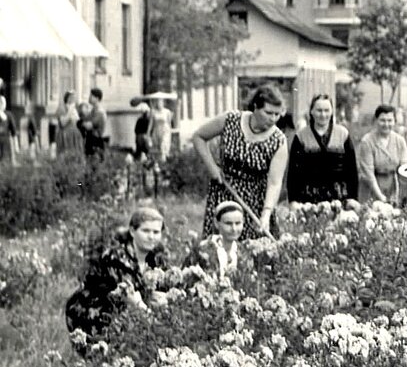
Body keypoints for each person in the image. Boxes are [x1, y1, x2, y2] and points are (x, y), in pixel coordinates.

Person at [193, 85, 289, 240]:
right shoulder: (231, 120)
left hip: (255, 202)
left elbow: (274, 183)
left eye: (277, 114)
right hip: (224, 191)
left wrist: (266, 214)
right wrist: (212, 168)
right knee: (218, 247)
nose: (273, 119)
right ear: (256, 107)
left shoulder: (278, 140)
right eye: (268, 113)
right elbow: (199, 137)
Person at [65, 205, 168, 347]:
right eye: (146, 231)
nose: (151, 237)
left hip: (128, 311)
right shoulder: (116, 258)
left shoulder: (157, 256)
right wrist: (148, 309)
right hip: (93, 314)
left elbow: (163, 288)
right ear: (132, 231)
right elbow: (128, 297)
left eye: (156, 232)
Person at [287, 94, 359, 205]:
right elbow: (293, 173)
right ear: (311, 111)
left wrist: (353, 198)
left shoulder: (343, 134)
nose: (323, 114)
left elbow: (352, 170)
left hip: (339, 198)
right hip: (308, 198)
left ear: (331, 112)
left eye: (326, 110)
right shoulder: (301, 136)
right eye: (319, 110)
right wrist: (293, 201)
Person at [358, 104, 407, 204]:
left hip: (392, 187)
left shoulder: (400, 141)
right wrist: (381, 197)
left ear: (394, 121)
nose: (386, 124)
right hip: (371, 189)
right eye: (382, 120)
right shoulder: (367, 142)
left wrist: (401, 194)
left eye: (390, 120)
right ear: (376, 120)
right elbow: (368, 174)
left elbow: (404, 169)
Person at [186, 201, 250, 280]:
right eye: (228, 223)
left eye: (238, 223)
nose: (234, 229)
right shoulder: (201, 251)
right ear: (216, 223)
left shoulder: (244, 252)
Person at [52, 90, 83, 158]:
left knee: (75, 156)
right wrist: (70, 111)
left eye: (74, 97)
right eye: (71, 97)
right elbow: (63, 123)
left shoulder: (75, 109)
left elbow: (76, 122)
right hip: (65, 134)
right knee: (65, 156)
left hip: (74, 135)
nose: (73, 99)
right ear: (67, 98)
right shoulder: (62, 108)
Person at [80, 87, 108, 159]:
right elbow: (85, 119)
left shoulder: (100, 112)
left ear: (97, 98)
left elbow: (88, 126)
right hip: (90, 140)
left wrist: (81, 123)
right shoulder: (93, 110)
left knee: (95, 164)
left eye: (91, 96)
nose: (89, 98)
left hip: (96, 141)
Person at [0, 95, 17, 165]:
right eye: (1, 103)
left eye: (3, 103)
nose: (3, 104)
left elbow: (13, 131)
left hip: (6, 140)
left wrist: (16, 145)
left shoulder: (8, 115)